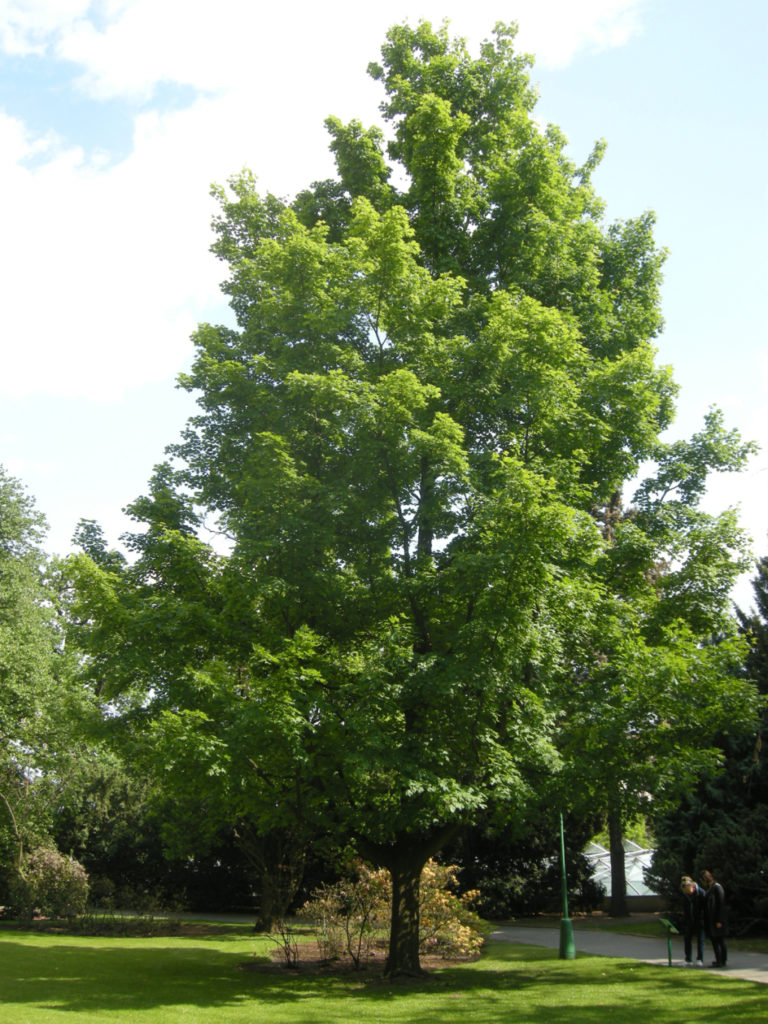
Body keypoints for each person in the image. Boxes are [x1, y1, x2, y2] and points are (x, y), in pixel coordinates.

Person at [700, 869, 728, 967]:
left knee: (718, 940)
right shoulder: (711, 888)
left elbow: (721, 904)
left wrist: (719, 920)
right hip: (712, 919)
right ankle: (720, 959)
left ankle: (721, 960)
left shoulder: (717, 887)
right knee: (717, 940)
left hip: (717, 919)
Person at [680, 875, 706, 966]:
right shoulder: (685, 896)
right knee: (687, 939)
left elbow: (705, 907)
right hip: (689, 920)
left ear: (692, 887)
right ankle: (688, 959)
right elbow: (685, 908)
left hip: (699, 920)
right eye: (686, 891)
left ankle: (700, 959)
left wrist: (703, 918)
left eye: (688, 891)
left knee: (700, 940)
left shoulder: (701, 893)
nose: (688, 893)